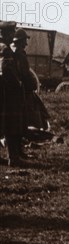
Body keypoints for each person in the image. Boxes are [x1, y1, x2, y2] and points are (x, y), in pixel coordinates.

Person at [1, 25, 28, 166]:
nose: (13, 35)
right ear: (5, 33)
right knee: (11, 125)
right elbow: (6, 72)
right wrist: (18, 85)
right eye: (12, 32)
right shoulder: (4, 49)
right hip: (7, 93)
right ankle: (14, 158)